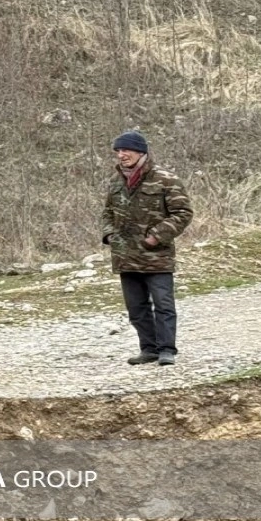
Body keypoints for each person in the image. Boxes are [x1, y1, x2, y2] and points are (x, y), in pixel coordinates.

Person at [101, 131, 193, 366]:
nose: (121, 155)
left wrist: (155, 237)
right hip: (125, 256)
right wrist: (110, 235)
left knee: (164, 305)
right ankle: (149, 349)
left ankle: (166, 350)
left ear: (140, 152)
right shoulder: (115, 181)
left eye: (126, 150)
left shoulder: (166, 179)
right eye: (118, 151)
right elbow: (107, 213)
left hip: (156, 256)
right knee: (136, 308)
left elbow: (183, 213)